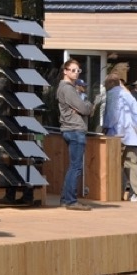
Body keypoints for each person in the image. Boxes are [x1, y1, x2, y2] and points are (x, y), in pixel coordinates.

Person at [57, 59, 93, 211]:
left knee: (73, 166)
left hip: (70, 129)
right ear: (65, 71)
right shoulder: (68, 89)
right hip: (75, 130)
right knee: (76, 167)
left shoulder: (67, 88)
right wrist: (89, 105)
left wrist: (83, 107)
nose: (76, 73)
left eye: (78, 70)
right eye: (72, 70)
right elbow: (86, 109)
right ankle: (71, 201)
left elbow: (81, 109)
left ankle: (66, 199)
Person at [101, 68, 137, 202]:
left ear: (109, 84)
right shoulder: (127, 94)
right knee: (132, 164)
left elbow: (112, 115)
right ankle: (134, 193)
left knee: (116, 165)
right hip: (132, 135)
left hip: (118, 135)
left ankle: (117, 193)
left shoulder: (112, 94)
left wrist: (106, 127)